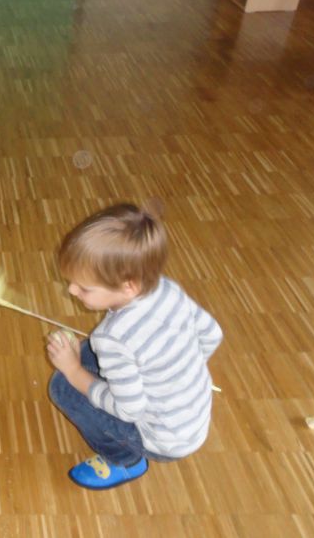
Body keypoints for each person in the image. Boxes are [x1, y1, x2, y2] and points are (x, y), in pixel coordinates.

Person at [46, 202, 223, 489]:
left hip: (160, 439)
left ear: (129, 286)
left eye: (84, 288)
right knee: (91, 350)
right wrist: (179, 368)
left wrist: (74, 370)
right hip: (191, 416)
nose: (71, 290)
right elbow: (212, 333)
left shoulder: (113, 337)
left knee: (63, 386)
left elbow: (129, 411)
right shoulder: (167, 289)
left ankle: (125, 460)